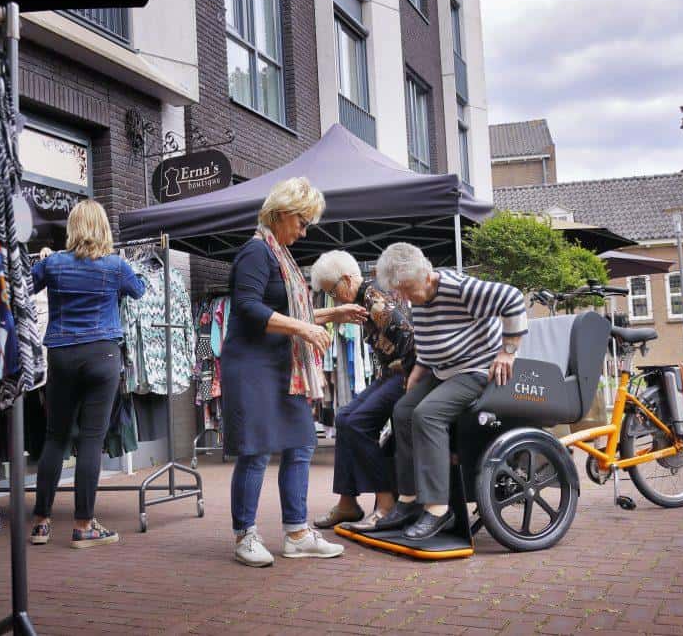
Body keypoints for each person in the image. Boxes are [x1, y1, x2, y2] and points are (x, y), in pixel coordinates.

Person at [222, 177, 368, 567]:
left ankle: (297, 533)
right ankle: (245, 535)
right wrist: (304, 328)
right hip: (252, 365)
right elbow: (248, 309)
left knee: (301, 444)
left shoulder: (280, 256)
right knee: (254, 451)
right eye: (302, 222)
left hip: (282, 366)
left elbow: (293, 314)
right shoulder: (256, 252)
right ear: (283, 213)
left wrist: (332, 313)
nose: (304, 232)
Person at [373, 243, 527, 541]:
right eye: (398, 291)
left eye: (406, 289)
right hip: (443, 370)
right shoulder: (417, 292)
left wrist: (508, 351)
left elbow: (513, 298)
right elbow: (433, 337)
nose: (403, 297)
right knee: (403, 411)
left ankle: (438, 509)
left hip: (477, 369)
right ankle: (408, 499)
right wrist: (419, 369)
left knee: (427, 415)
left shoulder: (460, 289)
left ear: (426, 275)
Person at [28, 199, 146, 549]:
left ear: (72, 229)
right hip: (102, 354)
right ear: (104, 228)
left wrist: (42, 263)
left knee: (55, 437)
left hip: (62, 354)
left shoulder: (53, 264)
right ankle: (83, 525)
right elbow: (139, 291)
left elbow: (24, 290)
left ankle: (41, 523)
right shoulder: (116, 266)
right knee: (91, 440)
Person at [309, 251, 416, 531]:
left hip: (405, 375)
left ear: (346, 280)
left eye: (332, 292)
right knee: (345, 418)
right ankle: (348, 503)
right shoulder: (364, 298)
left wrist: (408, 377)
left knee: (356, 423)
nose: (333, 299)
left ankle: (386, 502)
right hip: (389, 375)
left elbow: (408, 336)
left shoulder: (374, 300)